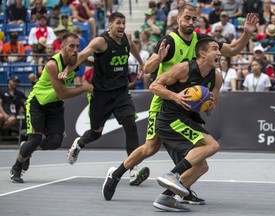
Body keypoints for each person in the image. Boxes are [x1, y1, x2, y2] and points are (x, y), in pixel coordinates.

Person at [101, 4, 258, 202]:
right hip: (164, 98)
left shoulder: (202, 42)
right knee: (151, 147)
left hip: (186, 103)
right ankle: (116, 174)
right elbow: (148, 69)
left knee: (192, 152)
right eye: (187, 18)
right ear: (178, 19)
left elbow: (233, 50)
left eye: (194, 19)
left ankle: (180, 186)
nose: (191, 22)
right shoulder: (170, 41)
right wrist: (159, 58)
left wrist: (247, 33)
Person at [62, 12, 148, 186]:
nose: (122, 26)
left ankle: (133, 168)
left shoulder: (126, 38)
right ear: (110, 25)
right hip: (101, 94)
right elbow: (83, 55)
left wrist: (140, 62)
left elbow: (131, 46)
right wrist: (68, 69)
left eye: (123, 23)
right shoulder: (101, 41)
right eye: (118, 23)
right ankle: (78, 144)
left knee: (130, 125)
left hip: (121, 92)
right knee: (95, 133)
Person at [9, 32, 94, 183]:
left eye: (77, 46)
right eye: (71, 46)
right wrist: (83, 88)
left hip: (55, 106)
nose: (75, 50)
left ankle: (27, 149)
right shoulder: (52, 65)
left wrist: (103, 60)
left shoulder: (75, 58)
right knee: (35, 139)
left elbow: (91, 61)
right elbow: (62, 93)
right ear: (62, 47)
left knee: (55, 142)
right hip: (38, 103)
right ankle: (17, 167)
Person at [150, 37, 222, 212]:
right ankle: (172, 174)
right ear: (202, 54)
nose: (219, 52)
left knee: (202, 166)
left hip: (185, 120)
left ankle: (165, 198)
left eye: (219, 49)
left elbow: (210, 112)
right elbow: (154, 85)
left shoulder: (217, 77)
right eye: (214, 49)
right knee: (212, 145)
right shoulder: (184, 68)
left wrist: (209, 105)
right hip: (170, 119)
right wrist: (175, 96)